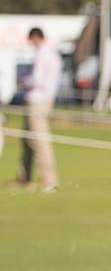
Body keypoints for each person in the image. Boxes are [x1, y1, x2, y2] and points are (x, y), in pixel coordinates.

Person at [15, 27, 61, 191]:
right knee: (27, 140)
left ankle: (49, 180)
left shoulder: (44, 53)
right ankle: (24, 177)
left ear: (35, 37)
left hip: (38, 101)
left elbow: (37, 79)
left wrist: (22, 80)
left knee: (39, 141)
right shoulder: (51, 52)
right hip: (39, 100)